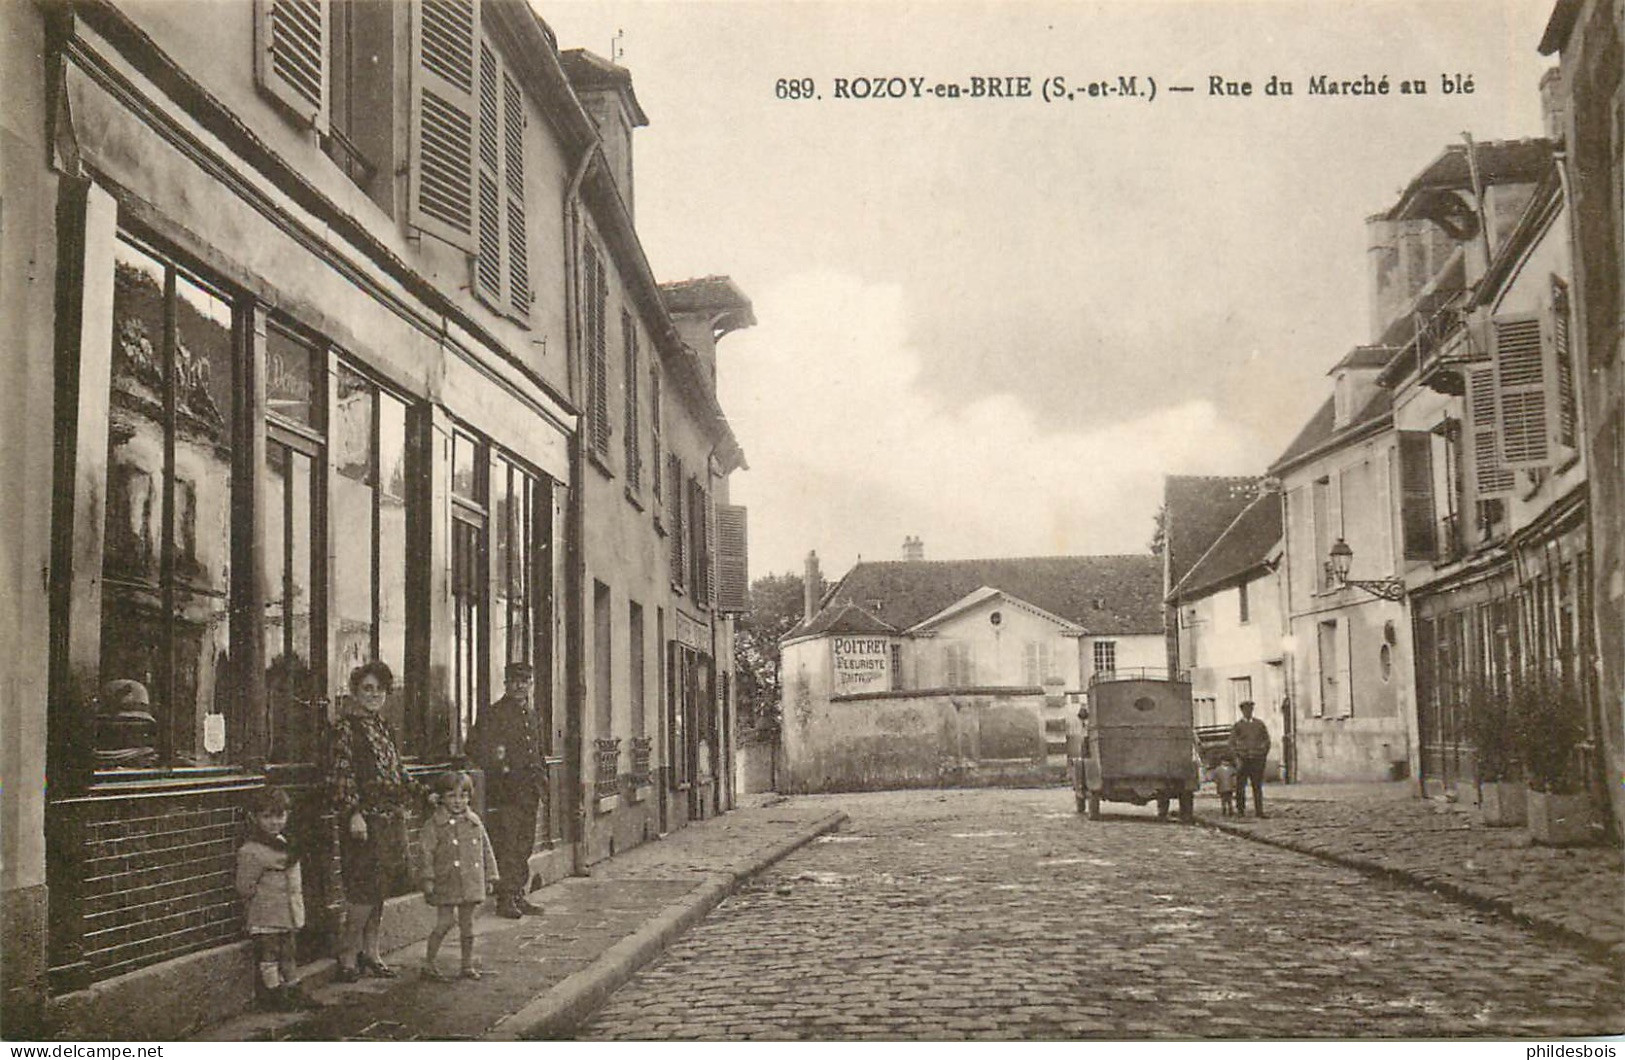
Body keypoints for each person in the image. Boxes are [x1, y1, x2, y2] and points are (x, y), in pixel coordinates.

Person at [329, 660, 419, 981]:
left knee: (379, 890)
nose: (374, 695)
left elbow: (399, 771)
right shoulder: (345, 728)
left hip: (388, 819)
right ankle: (348, 954)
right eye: (367, 688)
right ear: (355, 691)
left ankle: (372, 951)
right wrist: (353, 813)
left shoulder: (383, 727)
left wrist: (422, 794)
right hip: (363, 821)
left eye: (379, 690)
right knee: (362, 890)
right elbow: (342, 774)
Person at [465, 662, 544, 918]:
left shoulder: (531, 715)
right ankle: (505, 898)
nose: (520, 685)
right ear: (506, 684)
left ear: (531, 684)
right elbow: (475, 748)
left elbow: (537, 751)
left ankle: (519, 892)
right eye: (515, 681)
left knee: (524, 844)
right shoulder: (494, 714)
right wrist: (499, 765)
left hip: (529, 791)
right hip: (506, 792)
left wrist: (541, 780)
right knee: (507, 845)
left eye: (525, 681)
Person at [236, 787, 315, 1010]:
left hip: (288, 911)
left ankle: (294, 989)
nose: (274, 822)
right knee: (269, 953)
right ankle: (274, 994)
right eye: (267, 817)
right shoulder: (252, 851)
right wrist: (258, 904)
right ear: (255, 818)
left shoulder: (285, 843)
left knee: (289, 952)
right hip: (267, 913)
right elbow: (245, 886)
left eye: (279, 816)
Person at [418, 771, 499, 981]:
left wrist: (490, 876)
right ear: (441, 798)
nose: (458, 801)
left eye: (463, 796)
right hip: (447, 880)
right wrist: (428, 879)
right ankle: (428, 963)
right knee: (444, 923)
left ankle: (466, 965)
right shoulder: (434, 825)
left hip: (470, 880)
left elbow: (486, 850)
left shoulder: (474, 822)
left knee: (468, 925)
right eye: (452, 796)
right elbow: (426, 854)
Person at [1229, 700, 1272, 818]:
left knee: (1257, 786)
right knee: (1240, 786)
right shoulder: (1238, 726)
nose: (1248, 712)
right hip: (1243, 760)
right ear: (1242, 711)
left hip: (1257, 760)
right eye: (1246, 710)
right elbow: (1231, 743)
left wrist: (1262, 754)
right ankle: (1241, 810)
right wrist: (1236, 758)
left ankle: (1259, 811)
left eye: (1250, 710)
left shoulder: (1259, 724)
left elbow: (1267, 741)